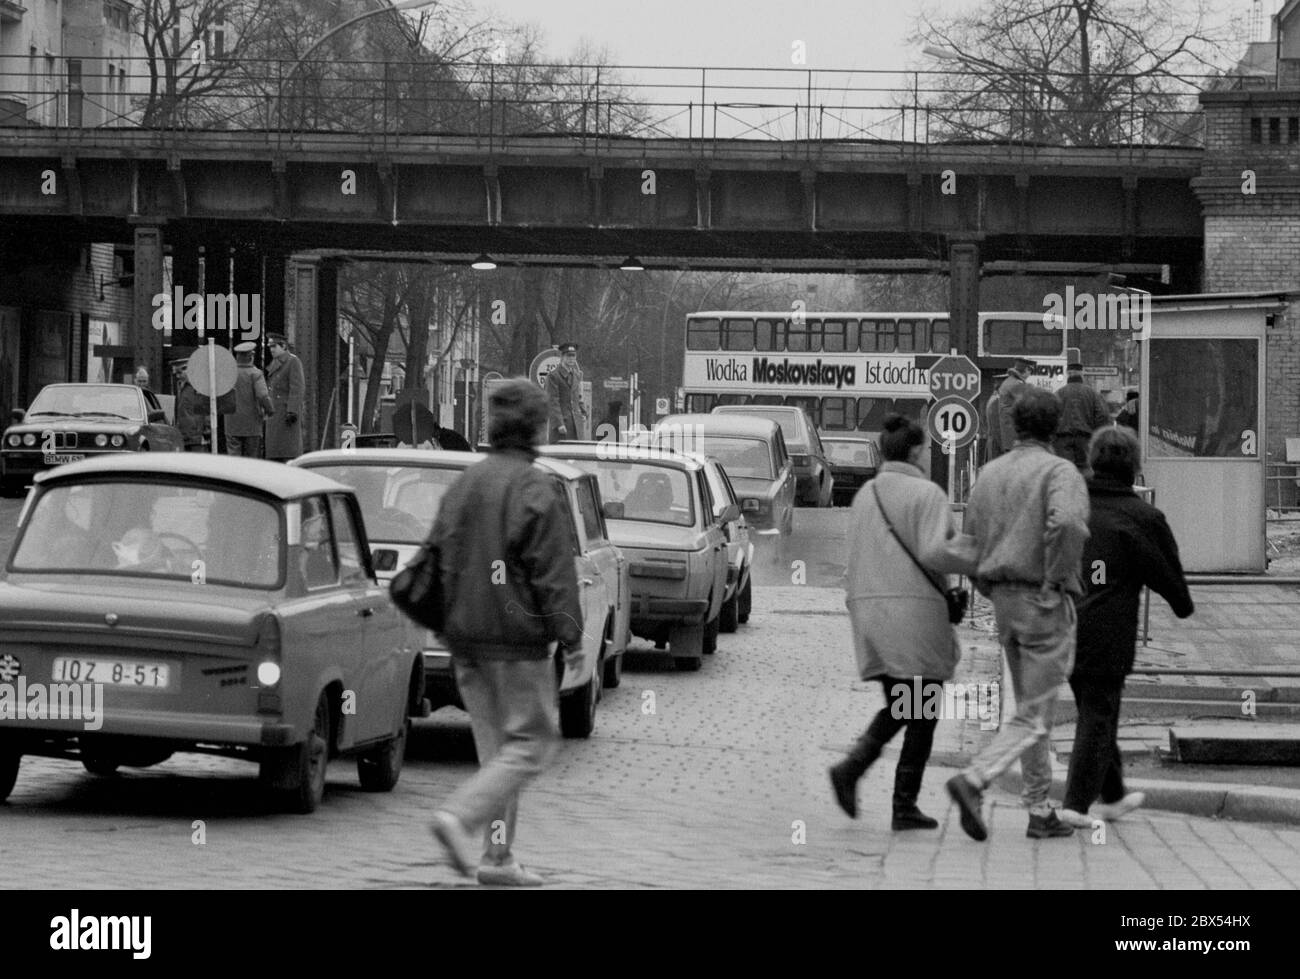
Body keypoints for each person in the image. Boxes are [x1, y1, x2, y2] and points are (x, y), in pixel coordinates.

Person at [428, 378, 584, 887]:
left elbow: (439, 557)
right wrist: (573, 637)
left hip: (465, 642)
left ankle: (498, 860)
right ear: (537, 427)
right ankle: (459, 818)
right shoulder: (534, 486)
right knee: (532, 743)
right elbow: (553, 571)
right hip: (517, 641)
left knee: (498, 756)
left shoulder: (465, 483)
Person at [946, 386, 1091, 842]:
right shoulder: (1059, 471)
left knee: (1032, 710)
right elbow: (1067, 523)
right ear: (1057, 428)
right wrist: (1054, 578)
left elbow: (969, 540)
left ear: (1015, 425)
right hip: (1042, 600)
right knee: (1034, 713)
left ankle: (1039, 807)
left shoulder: (989, 473)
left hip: (1003, 600)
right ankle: (974, 779)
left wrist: (984, 584)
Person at [829, 414, 978, 831]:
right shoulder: (927, 495)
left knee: (901, 704)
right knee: (921, 709)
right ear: (914, 451)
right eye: (926, 448)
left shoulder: (865, 495)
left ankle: (855, 771)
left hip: (871, 614)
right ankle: (900, 802)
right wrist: (981, 552)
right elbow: (937, 552)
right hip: (915, 613)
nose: (928, 455)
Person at [1057, 427, 1193, 828]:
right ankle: (1075, 806)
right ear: (1134, 467)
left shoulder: (1073, 508)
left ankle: (1113, 795)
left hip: (1061, 625)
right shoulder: (1143, 517)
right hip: (1107, 634)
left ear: (1093, 463)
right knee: (1097, 714)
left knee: (1095, 710)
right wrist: (1181, 602)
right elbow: (1167, 574)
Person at [1053, 362, 1112, 469]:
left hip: (1062, 440)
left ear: (1068, 374)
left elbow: (1050, 416)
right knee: (1085, 470)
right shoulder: (1092, 394)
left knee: (1064, 469)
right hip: (1085, 440)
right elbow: (1103, 416)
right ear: (1082, 374)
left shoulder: (1058, 393)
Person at [226, 341, 274, 458]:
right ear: (251, 357)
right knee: (251, 459)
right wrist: (270, 410)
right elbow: (262, 396)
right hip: (252, 425)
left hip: (231, 423)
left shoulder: (228, 373)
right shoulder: (256, 374)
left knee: (233, 458)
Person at [264, 333, 305, 462]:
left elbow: (297, 388)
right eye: (270, 347)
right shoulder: (275, 363)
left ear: (283, 346)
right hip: (275, 413)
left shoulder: (293, 361)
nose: (271, 349)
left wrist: (292, 410)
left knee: (287, 451)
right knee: (275, 452)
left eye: (274, 346)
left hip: (285, 414)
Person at [546, 342, 587, 443]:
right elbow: (553, 401)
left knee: (577, 455)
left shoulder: (576, 375)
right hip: (562, 424)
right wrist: (559, 423)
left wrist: (583, 412)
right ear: (562, 357)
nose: (571, 359)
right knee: (560, 454)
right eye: (568, 356)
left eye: (573, 356)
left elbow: (578, 396)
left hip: (576, 423)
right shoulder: (554, 376)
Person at [996, 356, 1037, 453]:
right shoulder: (1016, 384)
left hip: (1009, 434)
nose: (1029, 375)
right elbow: (1028, 405)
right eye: (1030, 371)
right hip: (1015, 435)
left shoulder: (1009, 381)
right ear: (1027, 369)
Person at [171, 356, 212, 452]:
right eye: (176, 374)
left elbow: (205, 409)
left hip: (196, 436)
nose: (178, 376)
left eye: (180, 373)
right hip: (185, 435)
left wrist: (207, 429)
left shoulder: (198, 386)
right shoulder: (182, 387)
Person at [983, 373, 1007, 462]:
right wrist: (1005, 448)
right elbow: (997, 427)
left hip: (994, 444)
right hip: (997, 446)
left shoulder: (994, 398)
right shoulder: (997, 400)